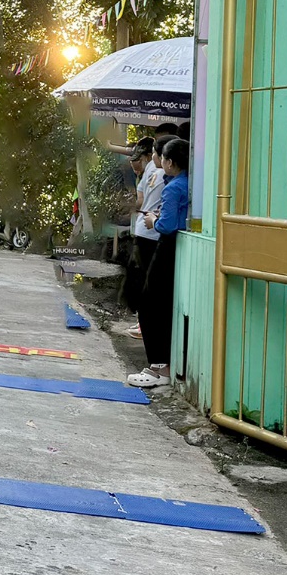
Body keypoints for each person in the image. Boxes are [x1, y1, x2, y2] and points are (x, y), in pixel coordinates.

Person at [127, 137, 190, 389]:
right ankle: (160, 365)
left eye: (162, 157)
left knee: (150, 305)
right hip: (175, 249)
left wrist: (154, 221)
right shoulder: (184, 183)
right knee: (157, 304)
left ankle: (158, 366)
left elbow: (167, 225)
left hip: (165, 247)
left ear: (171, 162)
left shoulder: (174, 188)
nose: (159, 161)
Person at [122, 137, 163, 339]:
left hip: (147, 230)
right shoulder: (156, 172)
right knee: (143, 279)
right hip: (150, 230)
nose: (134, 163)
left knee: (143, 281)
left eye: (138, 158)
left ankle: (142, 324)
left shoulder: (153, 172)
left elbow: (139, 202)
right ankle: (141, 323)